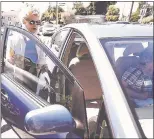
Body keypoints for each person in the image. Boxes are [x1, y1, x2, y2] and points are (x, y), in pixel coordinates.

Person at [6, 6, 51, 99]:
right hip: (19, 79)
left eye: (38, 22)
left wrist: (43, 73)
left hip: (35, 78)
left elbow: (42, 61)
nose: (35, 25)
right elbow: (9, 62)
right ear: (24, 22)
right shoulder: (14, 39)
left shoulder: (39, 40)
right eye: (32, 22)